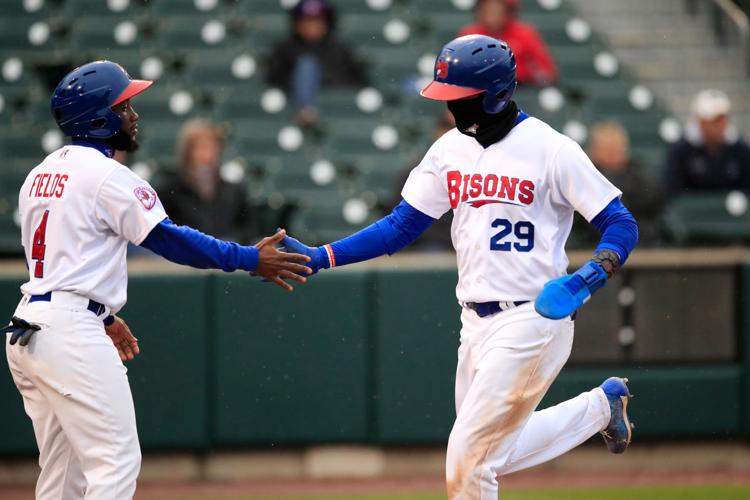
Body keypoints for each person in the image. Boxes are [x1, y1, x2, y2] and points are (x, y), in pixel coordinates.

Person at [282, 35, 638, 499]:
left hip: (535, 316)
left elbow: (620, 223)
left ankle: (597, 410)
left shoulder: (551, 149)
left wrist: (591, 275)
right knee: (493, 451)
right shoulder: (449, 149)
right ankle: (599, 409)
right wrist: (323, 255)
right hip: (474, 321)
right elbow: (400, 226)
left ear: (496, 94)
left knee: (467, 460)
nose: (451, 107)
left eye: (460, 97)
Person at [3, 61, 311, 500]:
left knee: (63, 473)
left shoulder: (40, 174)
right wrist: (248, 258)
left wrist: (105, 317)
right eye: (124, 105)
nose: (133, 115)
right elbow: (171, 241)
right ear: (99, 116)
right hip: (69, 330)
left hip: (31, 326)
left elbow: (61, 260)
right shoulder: (106, 175)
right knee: (115, 460)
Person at [265, 0, 368, 126]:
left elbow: (358, 81)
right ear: (297, 23)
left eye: (317, 20)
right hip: (292, 107)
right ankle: (305, 112)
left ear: (326, 23)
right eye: (306, 20)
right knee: (306, 66)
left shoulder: (339, 48)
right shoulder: (284, 48)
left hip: (334, 109)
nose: (311, 25)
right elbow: (273, 80)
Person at [158, 119, 258, 244]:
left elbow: (249, 229)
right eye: (201, 148)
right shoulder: (169, 190)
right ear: (187, 153)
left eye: (213, 148)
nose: (208, 155)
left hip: (226, 255)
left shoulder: (234, 191)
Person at [582, 121, 663, 246]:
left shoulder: (636, 171)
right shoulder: (587, 176)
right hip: (601, 245)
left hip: (644, 242)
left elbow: (655, 198)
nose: (617, 155)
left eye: (620, 148)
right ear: (595, 151)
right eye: (610, 150)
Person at [666, 89, 750, 196]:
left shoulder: (741, 149)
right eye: (714, 121)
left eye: (722, 119)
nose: (720, 125)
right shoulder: (680, 150)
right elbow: (674, 189)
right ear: (700, 122)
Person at [458, 0, 558, 86]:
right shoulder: (469, 35)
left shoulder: (525, 34)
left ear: (508, 11)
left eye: (498, 10)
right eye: (487, 10)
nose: (492, 15)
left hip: (520, 89)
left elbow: (547, 72)